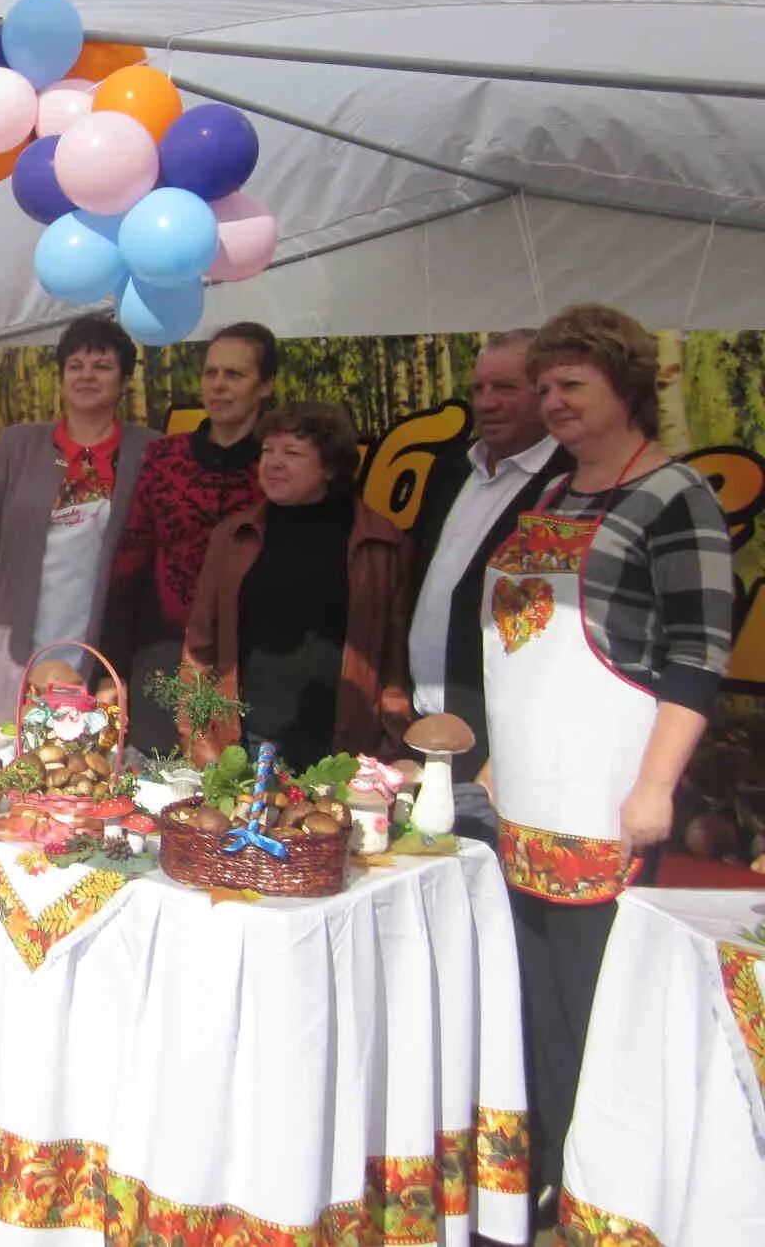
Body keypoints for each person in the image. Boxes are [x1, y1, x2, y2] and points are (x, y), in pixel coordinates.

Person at [480, 303, 733, 1212]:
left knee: (599, 1003)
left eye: (571, 384)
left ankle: (603, 1195)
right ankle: (543, 1178)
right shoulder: (551, 493)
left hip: (608, 796)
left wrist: (657, 786)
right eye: (542, 385)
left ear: (626, 386)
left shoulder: (676, 497)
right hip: (528, 801)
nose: (551, 401)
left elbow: (699, 655)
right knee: (535, 1001)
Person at [0, 315, 156, 732]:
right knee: (9, 743)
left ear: (124, 379)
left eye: (102, 366)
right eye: (75, 366)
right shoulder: (18, 444)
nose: (87, 376)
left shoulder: (149, 451)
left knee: (86, 744)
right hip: (17, 625)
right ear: (61, 376)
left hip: (102, 630)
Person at [181, 402, 412, 772]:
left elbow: (394, 661)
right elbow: (200, 642)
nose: (273, 463)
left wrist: (390, 747)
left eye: (292, 453)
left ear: (330, 467)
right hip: (247, 742)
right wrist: (199, 739)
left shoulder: (382, 543)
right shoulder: (234, 535)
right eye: (267, 451)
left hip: (342, 749)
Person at [407, 330, 572, 783]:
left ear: (544, 395)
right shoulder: (450, 470)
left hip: (500, 739)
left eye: (505, 388)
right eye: (479, 388)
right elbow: (423, 580)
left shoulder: (569, 484)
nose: (486, 401)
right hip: (419, 718)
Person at [102, 322, 275, 751]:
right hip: (163, 652)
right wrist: (111, 668)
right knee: (158, 787)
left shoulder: (278, 465)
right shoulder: (164, 458)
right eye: (211, 373)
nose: (218, 385)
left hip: (252, 660)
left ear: (266, 385)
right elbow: (129, 566)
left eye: (234, 375)